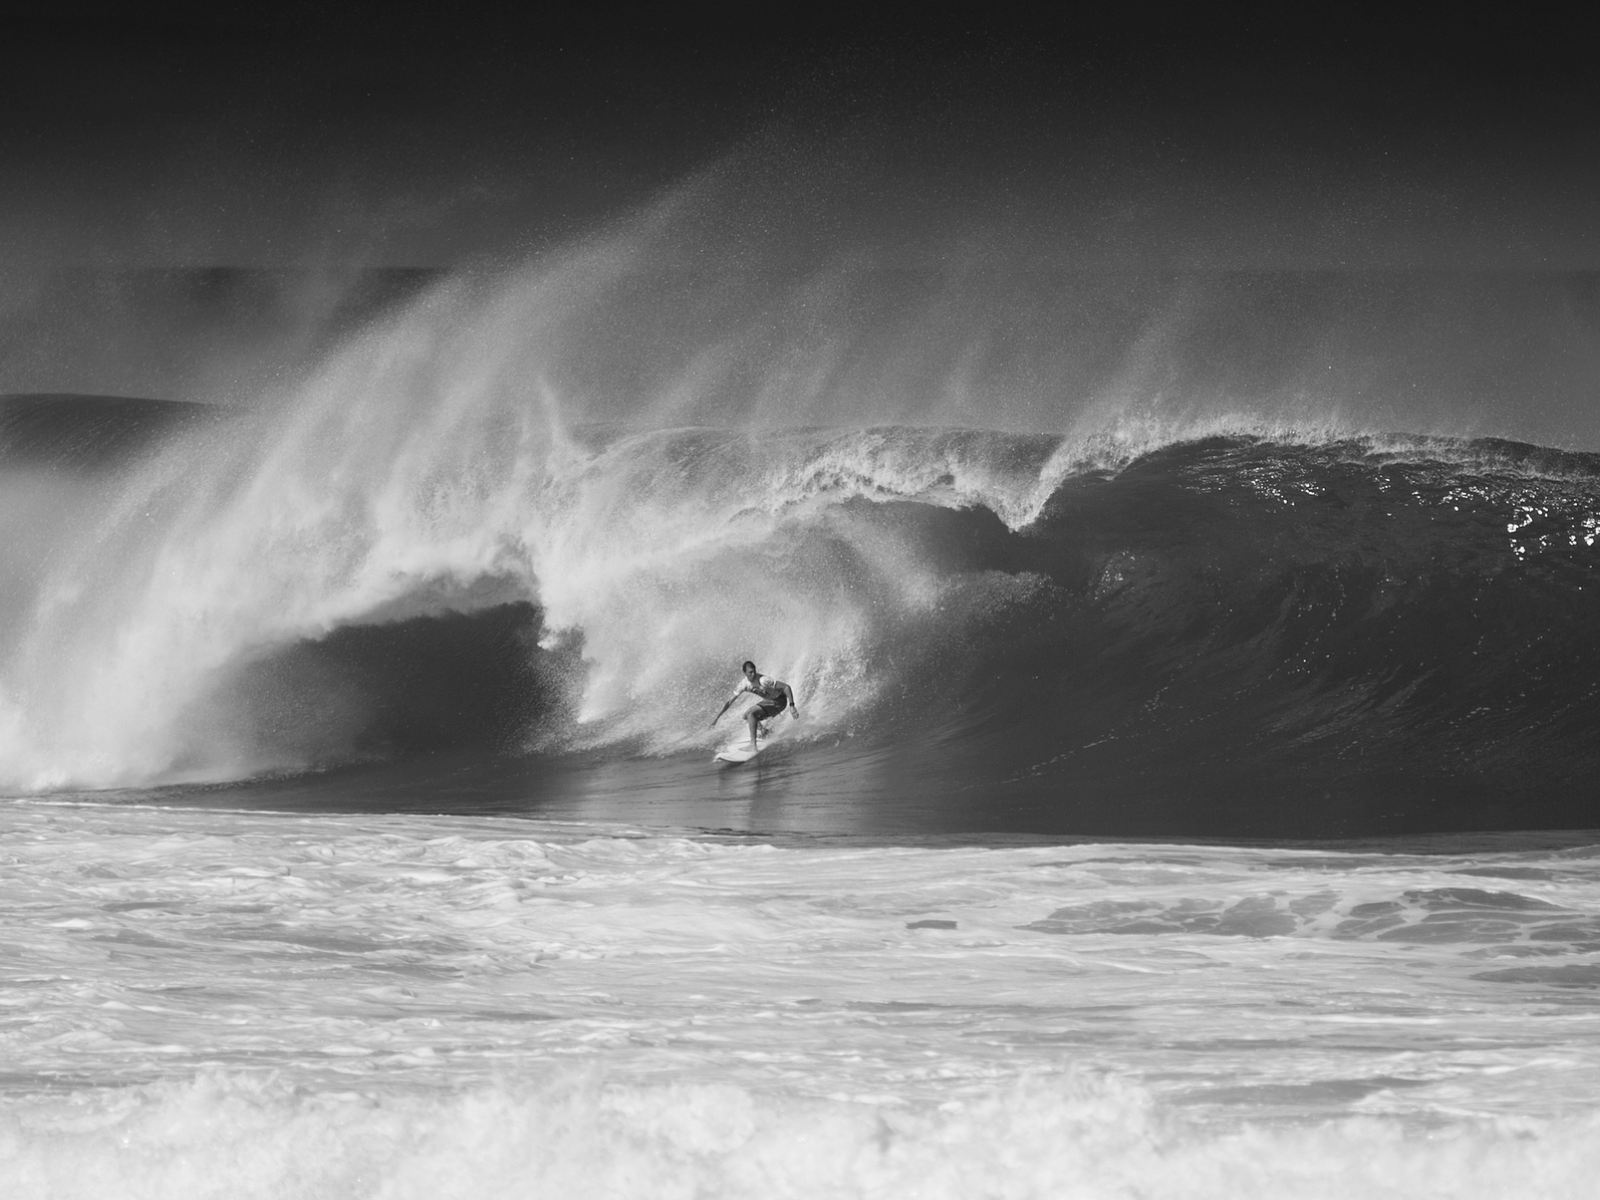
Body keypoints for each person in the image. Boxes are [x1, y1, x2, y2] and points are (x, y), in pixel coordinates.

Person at [711, 660, 800, 751]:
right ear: (745, 673)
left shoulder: (764, 680)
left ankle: (753, 746)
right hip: (769, 701)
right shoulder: (743, 685)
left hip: (779, 701)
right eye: (750, 672)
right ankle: (764, 731)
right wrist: (717, 717)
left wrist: (792, 706)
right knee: (745, 716)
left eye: (754, 671)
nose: (753, 674)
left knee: (751, 714)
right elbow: (729, 702)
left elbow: (786, 687)